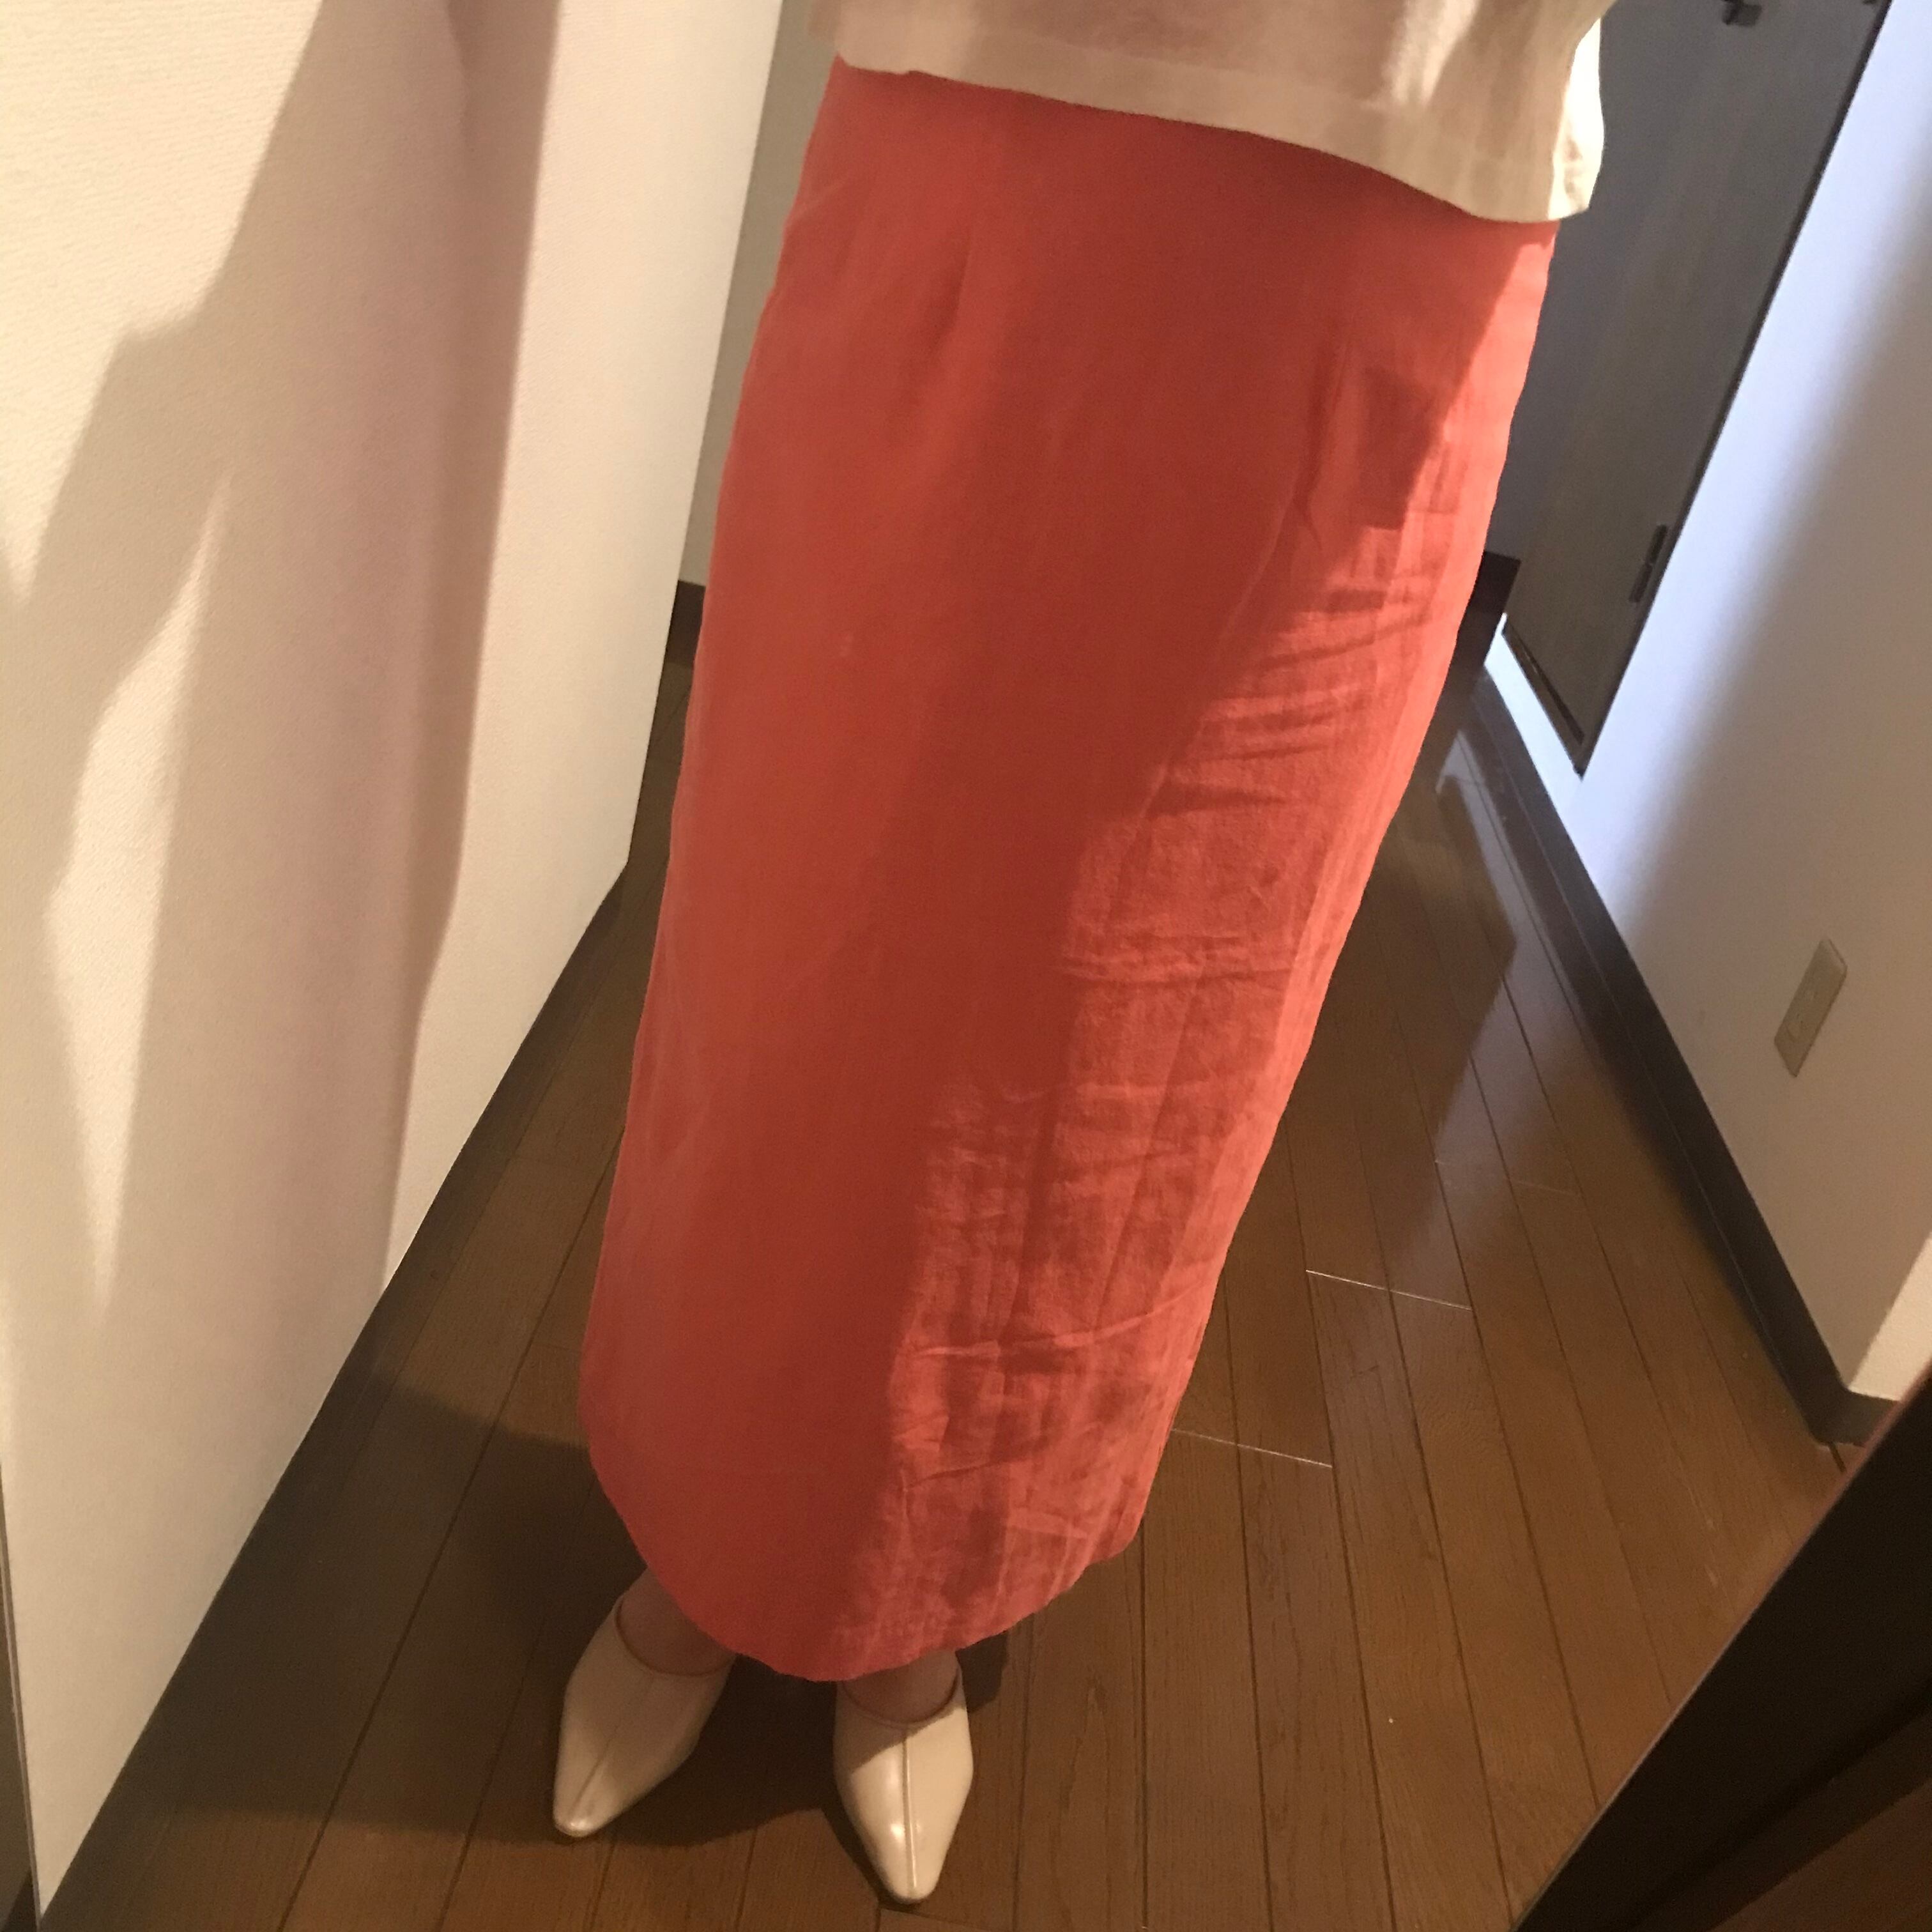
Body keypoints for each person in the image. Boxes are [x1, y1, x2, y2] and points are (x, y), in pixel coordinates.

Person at [554, 0, 1613, 1903]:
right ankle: (703, 1546)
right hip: (986, 115)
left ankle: (923, 1604)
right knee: (805, 943)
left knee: (1129, 1045)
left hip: (1393, 201)